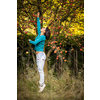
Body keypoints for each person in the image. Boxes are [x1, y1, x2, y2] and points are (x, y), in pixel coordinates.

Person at [28, 12, 50, 92]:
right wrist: (37, 17)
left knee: (40, 70)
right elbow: (38, 26)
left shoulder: (43, 37)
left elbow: (35, 43)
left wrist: (30, 41)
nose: (42, 28)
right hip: (39, 55)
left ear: (45, 31)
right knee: (39, 69)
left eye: (44, 28)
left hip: (40, 55)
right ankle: (41, 84)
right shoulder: (39, 35)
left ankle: (42, 84)